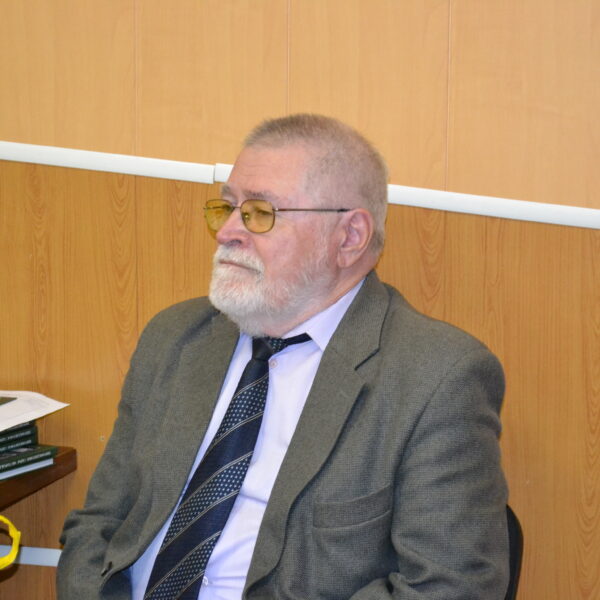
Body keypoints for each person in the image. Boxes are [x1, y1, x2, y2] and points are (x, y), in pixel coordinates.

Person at [57, 114, 509, 599]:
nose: (227, 231)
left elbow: (449, 586)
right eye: (227, 207)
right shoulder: (176, 337)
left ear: (350, 237)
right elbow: (98, 524)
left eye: (260, 213)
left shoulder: (437, 378)